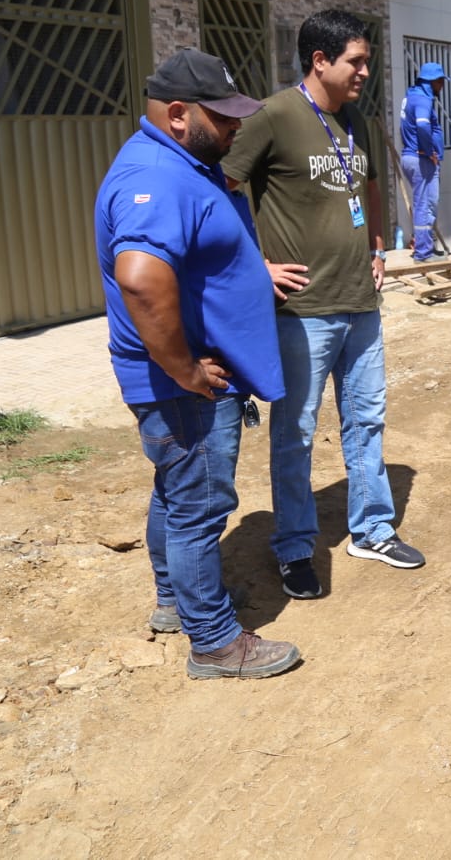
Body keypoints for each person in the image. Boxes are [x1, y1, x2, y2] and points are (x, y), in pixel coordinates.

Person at [94, 48, 299, 680]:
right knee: (198, 507)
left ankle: (172, 603)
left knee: (174, 492)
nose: (238, 129)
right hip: (182, 387)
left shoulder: (179, 162)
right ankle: (213, 642)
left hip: (180, 380)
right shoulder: (152, 178)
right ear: (179, 114)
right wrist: (184, 369)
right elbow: (140, 276)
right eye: (226, 118)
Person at [223, 9, 424, 602]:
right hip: (302, 312)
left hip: (361, 303)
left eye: (366, 61)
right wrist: (254, 266)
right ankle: (292, 546)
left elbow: (370, 188)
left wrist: (380, 245)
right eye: (356, 61)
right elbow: (223, 188)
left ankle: (372, 529)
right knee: (296, 433)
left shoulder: (358, 119)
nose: (366, 72)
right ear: (320, 60)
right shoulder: (274, 116)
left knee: (366, 421)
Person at [400, 61, 447, 262]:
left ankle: (425, 246)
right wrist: (430, 152)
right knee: (424, 205)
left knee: (428, 203)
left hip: (414, 157)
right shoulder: (422, 100)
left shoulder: (413, 97)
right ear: (432, 81)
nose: (442, 86)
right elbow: (422, 127)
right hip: (420, 159)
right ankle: (423, 253)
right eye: (441, 82)